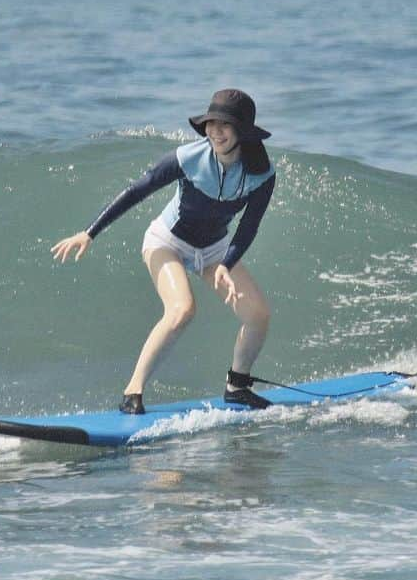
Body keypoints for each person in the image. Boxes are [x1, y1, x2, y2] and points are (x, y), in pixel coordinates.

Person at [50, 89, 277, 415]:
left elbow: (249, 226)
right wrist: (90, 232)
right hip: (166, 241)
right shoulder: (187, 158)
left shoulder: (261, 174)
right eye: (211, 123)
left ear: (242, 130)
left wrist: (227, 263)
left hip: (214, 250)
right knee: (182, 309)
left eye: (224, 125)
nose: (215, 131)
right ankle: (133, 392)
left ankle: (237, 387)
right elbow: (137, 190)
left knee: (258, 314)